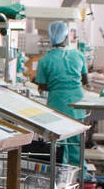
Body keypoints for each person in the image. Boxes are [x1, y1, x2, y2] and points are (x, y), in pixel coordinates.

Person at [34, 20, 88, 166]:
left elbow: (43, 85)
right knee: (76, 141)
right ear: (66, 37)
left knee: (58, 143)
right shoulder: (78, 55)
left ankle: (59, 175)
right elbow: (84, 80)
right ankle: (79, 175)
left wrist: (55, 84)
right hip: (76, 102)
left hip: (57, 103)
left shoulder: (45, 60)